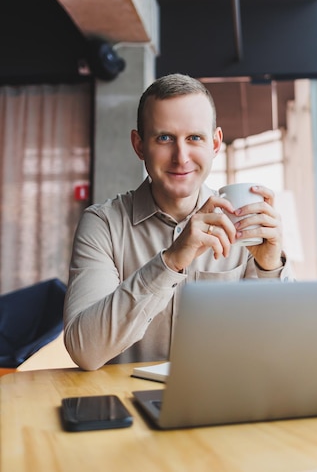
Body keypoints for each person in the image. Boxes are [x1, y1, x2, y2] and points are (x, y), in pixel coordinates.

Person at [63, 73, 295, 370]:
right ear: (139, 145)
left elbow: (278, 349)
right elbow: (85, 351)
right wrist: (170, 262)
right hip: (129, 407)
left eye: (194, 138)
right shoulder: (103, 224)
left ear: (215, 144)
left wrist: (270, 269)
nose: (181, 157)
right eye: (164, 138)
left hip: (222, 404)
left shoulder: (245, 221)